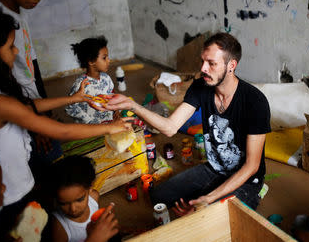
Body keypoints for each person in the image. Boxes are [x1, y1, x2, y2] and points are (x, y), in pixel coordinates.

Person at [0, 7, 131, 237]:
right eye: (10, 46)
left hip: (15, 184)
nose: (17, 50)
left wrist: (74, 98)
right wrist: (110, 126)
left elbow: (29, 107)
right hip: (10, 195)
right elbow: (62, 131)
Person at [100, 33, 271, 212]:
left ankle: (249, 194)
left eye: (211, 63)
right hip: (214, 169)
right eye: (203, 61)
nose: (203, 68)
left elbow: (252, 166)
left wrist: (208, 198)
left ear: (231, 65)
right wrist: (133, 105)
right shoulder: (201, 86)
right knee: (158, 197)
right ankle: (207, 199)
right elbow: (170, 127)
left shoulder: (254, 101)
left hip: (246, 179)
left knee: (207, 218)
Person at [49, 156, 118, 242]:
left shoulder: (94, 197)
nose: (73, 209)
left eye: (80, 199)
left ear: (90, 188)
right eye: (63, 203)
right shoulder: (59, 226)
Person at [65, 36, 115, 124]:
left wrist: (115, 111)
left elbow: (112, 95)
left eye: (108, 57)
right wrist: (90, 121)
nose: (109, 61)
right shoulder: (81, 84)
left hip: (108, 124)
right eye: (104, 58)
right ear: (91, 61)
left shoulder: (106, 78)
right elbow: (70, 107)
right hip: (91, 129)